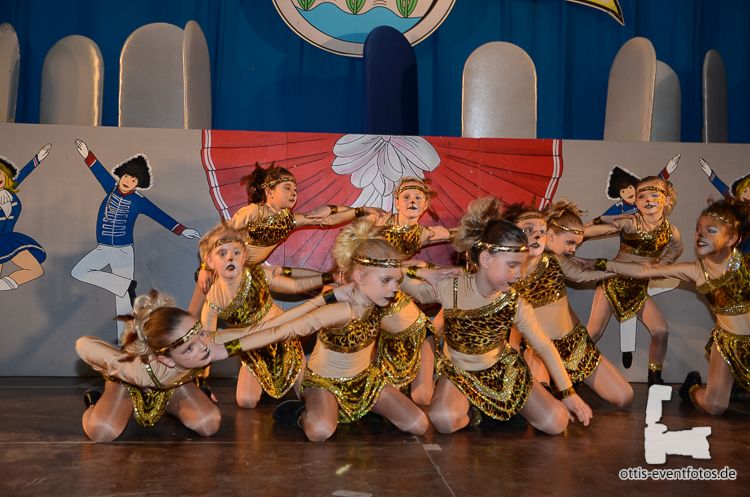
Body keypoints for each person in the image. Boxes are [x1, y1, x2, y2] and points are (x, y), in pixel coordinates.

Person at [213, 220, 429, 442]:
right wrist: (228, 348)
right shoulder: (340, 311)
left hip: (365, 381)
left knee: (419, 424)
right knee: (320, 431)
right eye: (386, 281)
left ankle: (362, 409)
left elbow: (419, 288)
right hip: (325, 383)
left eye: (397, 281)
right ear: (358, 276)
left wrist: (431, 274)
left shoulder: (382, 300)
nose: (394, 288)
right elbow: (281, 330)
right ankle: (297, 413)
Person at [400, 197, 592, 434]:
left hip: (503, 369)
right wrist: (421, 272)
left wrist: (568, 393)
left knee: (556, 423)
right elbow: (393, 275)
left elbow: (543, 345)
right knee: (444, 420)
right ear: (486, 259)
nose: (518, 275)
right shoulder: (452, 288)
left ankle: (506, 405)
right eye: (511, 266)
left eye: (521, 266)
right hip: (460, 373)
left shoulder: (514, 301)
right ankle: (475, 410)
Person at [589, 199, 750, 415]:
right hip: (728, 343)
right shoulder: (695, 270)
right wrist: (600, 264)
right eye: (698, 230)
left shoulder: (745, 262)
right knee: (715, 406)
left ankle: (737, 390)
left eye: (711, 231)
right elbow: (644, 271)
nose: (701, 236)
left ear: (732, 238)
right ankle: (691, 388)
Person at [188, 162, 371, 316]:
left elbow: (327, 219)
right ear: (269, 192)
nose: (293, 193)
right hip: (219, 270)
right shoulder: (253, 211)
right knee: (194, 316)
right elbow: (218, 237)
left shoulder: (290, 221)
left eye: (295, 190)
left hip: (249, 275)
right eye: (287, 188)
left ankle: (332, 282)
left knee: (280, 289)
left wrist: (360, 211)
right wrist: (205, 268)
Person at [506, 201, 632, 408]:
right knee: (543, 405)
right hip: (538, 351)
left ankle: (562, 384)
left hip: (574, 346)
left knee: (624, 396)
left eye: (540, 231)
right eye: (528, 230)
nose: (536, 236)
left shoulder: (553, 260)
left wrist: (626, 267)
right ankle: (552, 387)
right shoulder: (504, 271)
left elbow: (585, 272)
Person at [71, 139, 201, 341]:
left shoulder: (138, 201)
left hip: (123, 251)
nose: (128, 181)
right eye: (126, 176)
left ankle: (125, 341)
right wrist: (87, 154)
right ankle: (124, 284)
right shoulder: (111, 188)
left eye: (133, 180)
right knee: (79, 271)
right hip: (103, 248)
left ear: (137, 184)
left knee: (122, 302)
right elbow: (99, 172)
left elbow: (159, 215)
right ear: (121, 176)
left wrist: (182, 230)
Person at [198, 223, 336, 408]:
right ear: (209, 260)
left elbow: (295, 286)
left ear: (244, 256)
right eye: (221, 253)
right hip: (253, 351)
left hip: (284, 341)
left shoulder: (258, 274)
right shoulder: (213, 298)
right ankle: (263, 385)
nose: (230, 257)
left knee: (308, 396)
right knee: (246, 401)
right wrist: (202, 383)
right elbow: (205, 342)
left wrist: (329, 278)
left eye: (236, 252)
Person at [75, 290, 225, 442]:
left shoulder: (193, 347)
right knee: (102, 431)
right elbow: (84, 345)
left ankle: (196, 393)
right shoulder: (134, 368)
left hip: (173, 384)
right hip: (128, 385)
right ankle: (95, 402)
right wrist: (116, 362)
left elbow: (226, 343)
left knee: (209, 423)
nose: (201, 347)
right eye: (189, 348)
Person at [584, 176, 683, 385]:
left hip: (637, 289)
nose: (648, 200)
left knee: (661, 330)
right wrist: (576, 234)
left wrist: (659, 267)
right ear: (636, 202)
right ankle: (566, 373)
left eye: (654, 195)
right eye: (642, 196)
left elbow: (676, 249)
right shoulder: (631, 223)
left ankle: (654, 376)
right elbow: (605, 229)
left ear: (667, 200)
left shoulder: (671, 232)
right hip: (612, 283)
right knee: (594, 331)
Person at [0, 144, 51, 290]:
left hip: (8, 240)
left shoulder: (9, 192)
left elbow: (23, 174)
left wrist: (38, 158)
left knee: (35, 270)